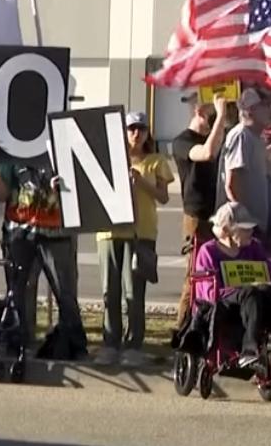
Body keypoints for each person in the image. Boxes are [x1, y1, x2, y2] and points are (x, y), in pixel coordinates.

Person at [93, 112, 173, 366]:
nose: (136, 134)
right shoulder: (109, 159)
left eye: (141, 129)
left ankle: (133, 344)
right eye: (131, 129)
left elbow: (163, 197)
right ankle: (110, 343)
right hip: (109, 231)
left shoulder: (156, 161)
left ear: (148, 133)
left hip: (141, 232)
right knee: (110, 290)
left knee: (134, 292)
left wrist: (140, 182)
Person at [0, 158, 88, 361]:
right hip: (19, 229)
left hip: (56, 229)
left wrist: (67, 186)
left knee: (65, 290)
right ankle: (19, 341)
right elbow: (3, 193)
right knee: (18, 289)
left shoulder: (61, 143)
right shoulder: (12, 148)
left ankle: (74, 344)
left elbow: (84, 181)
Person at [189, 202, 271, 369]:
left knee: (268, 290)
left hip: (252, 303)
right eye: (244, 229)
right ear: (227, 230)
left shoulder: (253, 247)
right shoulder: (208, 252)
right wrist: (243, 288)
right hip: (222, 306)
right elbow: (209, 294)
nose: (251, 231)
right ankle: (248, 351)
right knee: (251, 292)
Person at [217, 88, 271, 260]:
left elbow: (270, 154)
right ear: (250, 110)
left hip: (258, 228)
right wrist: (243, 222)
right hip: (245, 230)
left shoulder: (254, 138)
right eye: (265, 105)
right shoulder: (241, 136)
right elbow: (231, 184)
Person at [171, 95, 231, 330]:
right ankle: (183, 328)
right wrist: (221, 114)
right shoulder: (182, 141)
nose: (217, 121)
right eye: (212, 116)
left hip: (216, 214)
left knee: (215, 273)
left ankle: (206, 325)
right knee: (196, 274)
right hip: (196, 216)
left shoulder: (212, 137)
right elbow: (206, 153)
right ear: (199, 112)